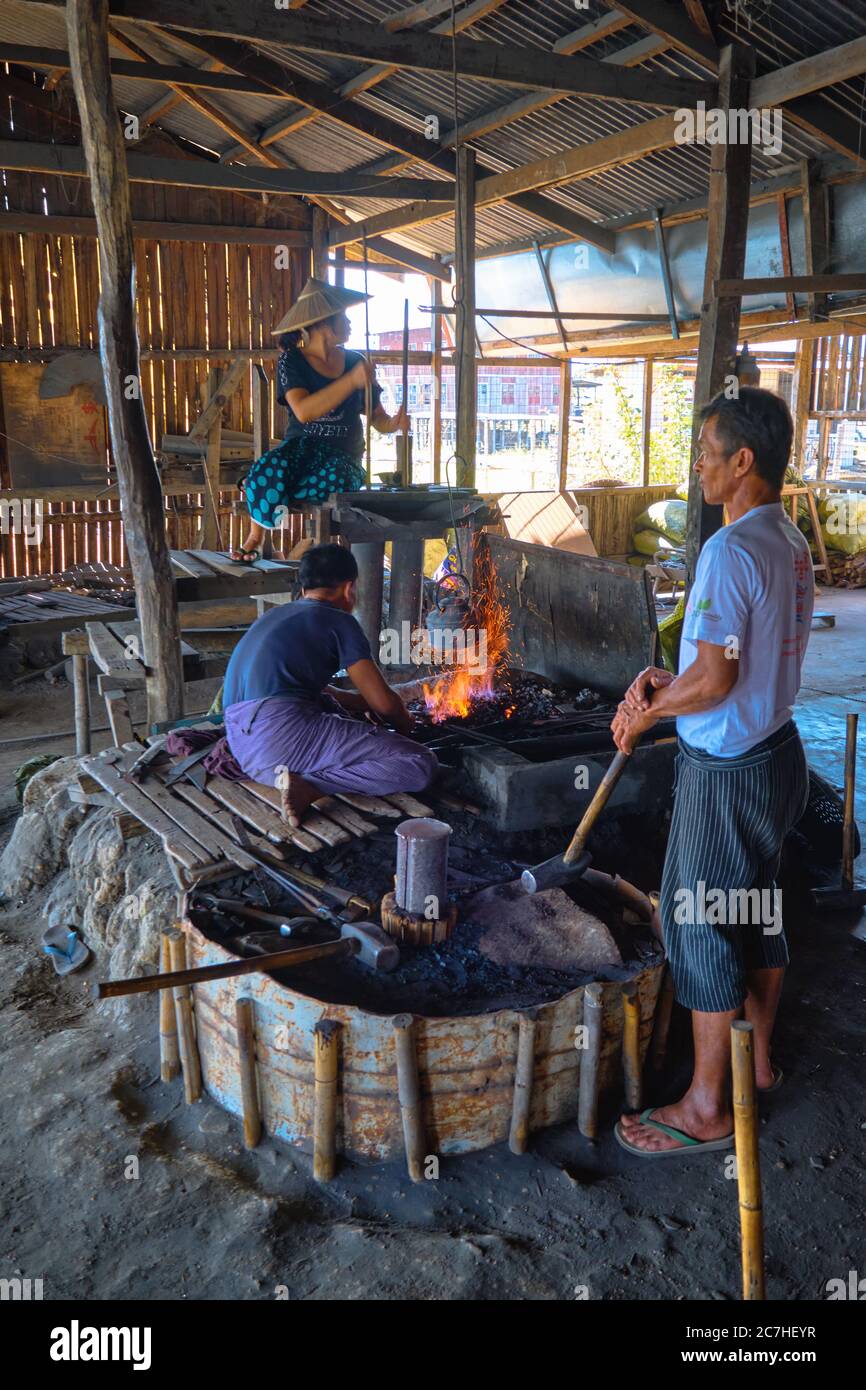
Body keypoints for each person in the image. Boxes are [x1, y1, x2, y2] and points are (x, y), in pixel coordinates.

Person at [611, 386, 813, 1157]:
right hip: (779, 757)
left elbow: (718, 681)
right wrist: (672, 684)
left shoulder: (729, 550)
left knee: (696, 921)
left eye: (705, 451)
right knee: (758, 909)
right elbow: (729, 664)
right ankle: (754, 1065)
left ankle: (704, 1109)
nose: (696, 464)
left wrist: (651, 712)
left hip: (726, 772)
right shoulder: (786, 540)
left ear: (743, 461)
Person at [222, 543, 437, 825]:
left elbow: (319, 691)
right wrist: (406, 725)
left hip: (243, 747)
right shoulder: (339, 620)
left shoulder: (275, 616)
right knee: (421, 764)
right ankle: (312, 786)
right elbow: (385, 704)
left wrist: (358, 704)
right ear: (349, 589)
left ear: (303, 590)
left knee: (337, 712)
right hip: (279, 745)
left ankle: (300, 779)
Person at [229, 278, 409, 563]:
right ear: (324, 323)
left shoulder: (355, 361)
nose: (349, 323)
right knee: (267, 466)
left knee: (338, 479)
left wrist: (394, 424)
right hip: (301, 449)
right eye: (344, 317)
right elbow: (303, 411)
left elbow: (377, 417)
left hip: (342, 457)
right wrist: (351, 381)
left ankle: (264, 488)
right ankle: (256, 535)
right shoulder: (293, 361)